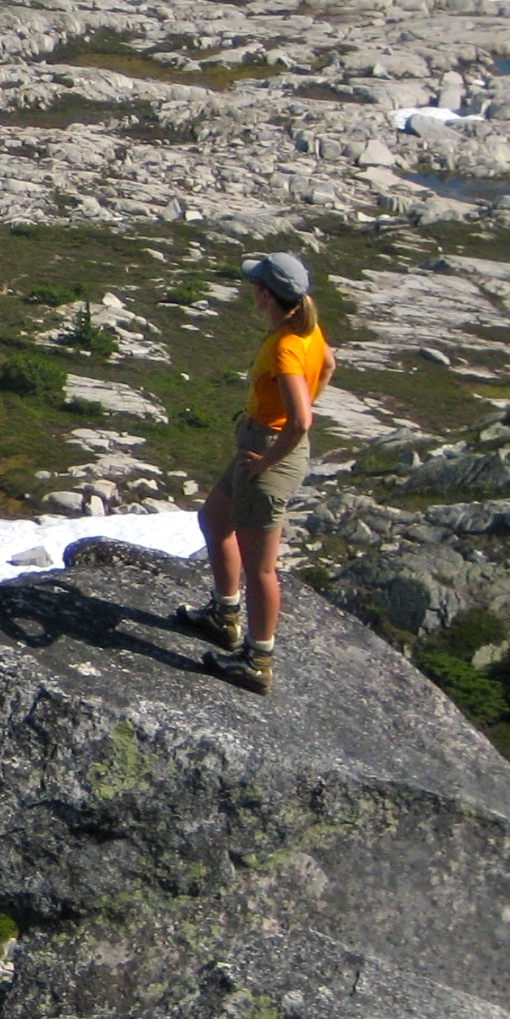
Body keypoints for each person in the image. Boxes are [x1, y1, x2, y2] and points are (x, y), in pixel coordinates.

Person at [177, 252, 333, 693]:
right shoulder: (306, 329)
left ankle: (257, 659)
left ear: (265, 294)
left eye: (255, 285)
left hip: (269, 452)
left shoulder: (286, 347)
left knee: (261, 568)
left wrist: (268, 459)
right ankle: (224, 614)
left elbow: (301, 420)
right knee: (214, 518)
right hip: (261, 446)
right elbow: (331, 364)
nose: (251, 290)